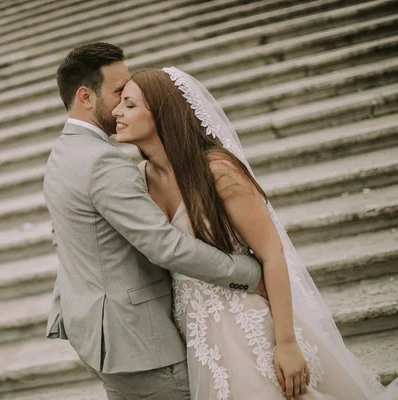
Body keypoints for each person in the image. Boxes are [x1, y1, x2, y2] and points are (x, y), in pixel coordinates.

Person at [112, 66, 398, 400]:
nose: (117, 111)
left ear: (163, 114)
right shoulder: (139, 179)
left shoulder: (218, 171)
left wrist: (287, 342)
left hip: (249, 322)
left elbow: (272, 254)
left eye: (130, 105)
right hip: (197, 333)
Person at [44, 43, 266, 400]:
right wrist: (249, 274)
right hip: (138, 342)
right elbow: (164, 245)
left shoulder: (62, 154)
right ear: (85, 96)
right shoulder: (104, 162)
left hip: (97, 334)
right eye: (119, 92)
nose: (124, 102)